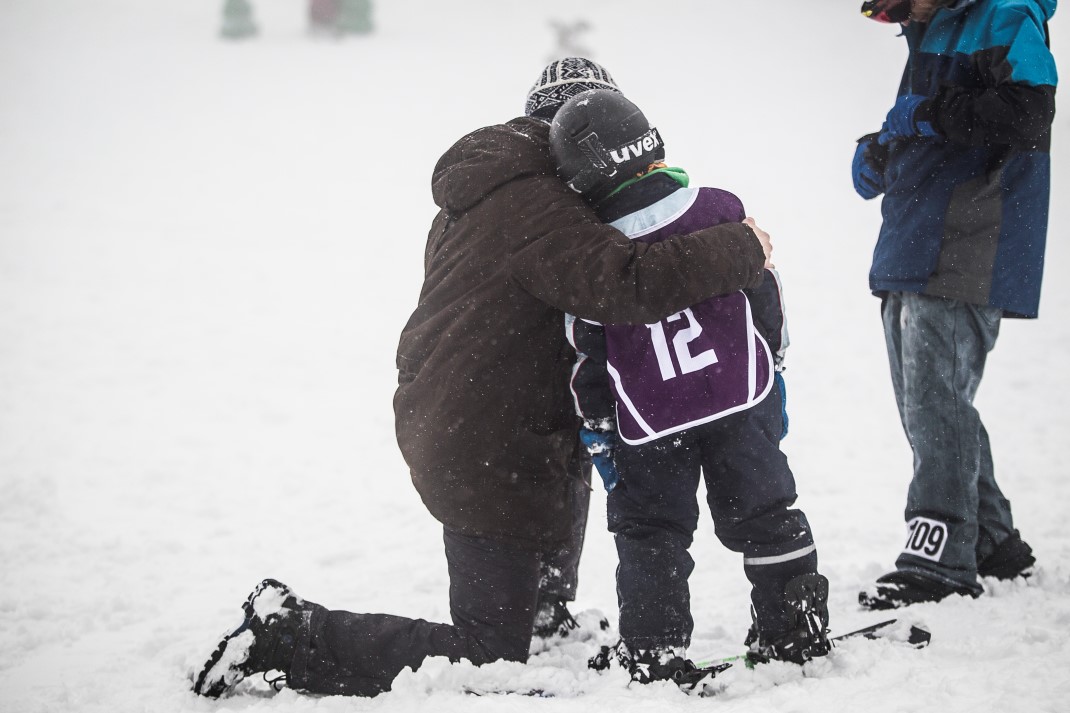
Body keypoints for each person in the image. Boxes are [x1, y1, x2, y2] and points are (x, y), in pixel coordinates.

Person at [191, 57, 774, 698]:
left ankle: (546, 616)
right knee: (486, 654)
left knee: (560, 482)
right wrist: (741, 246)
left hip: (477, 419)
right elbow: (624, 283)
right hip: (484, 442)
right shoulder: (538, 202)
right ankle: (290, 633)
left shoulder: (492, 191)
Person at [549, 90, 831, 686]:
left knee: (652, 532)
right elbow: (766, 296)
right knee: (766, 510)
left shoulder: (598, 254)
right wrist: (772, 366)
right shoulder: (719, 208)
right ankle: (795, 623)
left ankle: (652, 650)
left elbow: (587, 352)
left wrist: (599, 425)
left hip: (649, 418)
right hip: (739, 394)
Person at [851, 0, 1056, 609]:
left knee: (935, 400)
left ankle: (938, 556)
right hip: (912, 238)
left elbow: (1028, 111)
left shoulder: (1007, 13)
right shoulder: (929, 29)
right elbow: (932, 128)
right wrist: (883, 148)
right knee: (928, 406)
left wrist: (926, 118)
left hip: (970, 238)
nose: (897, 16)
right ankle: (992, 540)